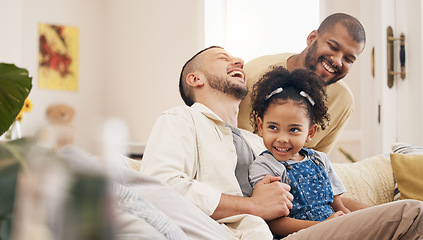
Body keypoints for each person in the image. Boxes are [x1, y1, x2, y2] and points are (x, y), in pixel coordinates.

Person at [140, 46, 423, 240]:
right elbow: (159, 186)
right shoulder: (181, 120)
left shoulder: (259, 142)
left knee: (410, 212)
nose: (238, 61)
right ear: (195, 78)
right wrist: (253, 206)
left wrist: (362, 215)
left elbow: (319, 194)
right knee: (412, 214)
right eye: (222, 57)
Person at [238, 12, 365, 155]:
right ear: (312, 38)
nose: (337, 60)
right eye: (333, 47)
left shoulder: (343, 100)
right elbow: (238, 144)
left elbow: (319, 160)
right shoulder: (255, 74)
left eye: (348, 59)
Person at [248, 66, 350, 237]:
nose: (282, 138)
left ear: (310, 132)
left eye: (294, 130)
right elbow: (274, 223)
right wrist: (323, 226)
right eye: (273, 127)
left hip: (333, 230)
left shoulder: (320, 160)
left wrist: (351, 221)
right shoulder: (265, 167)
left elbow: (338, 206)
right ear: (260, 127)